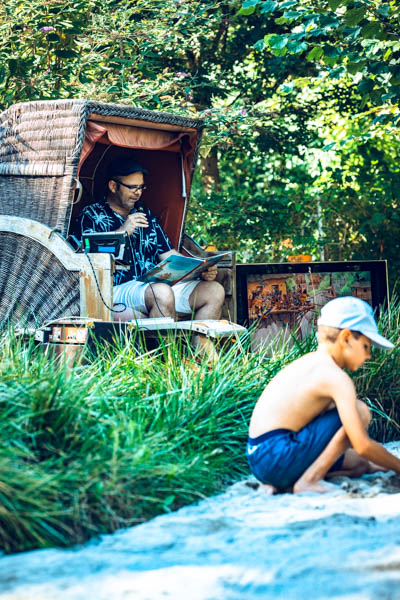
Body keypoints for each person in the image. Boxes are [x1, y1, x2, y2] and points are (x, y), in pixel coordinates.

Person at [246, 296, 400, 494]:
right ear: (346, 338)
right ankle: (309, 480)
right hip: (277, 454)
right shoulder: (336, 378)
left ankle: (287, 482)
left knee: (359, 464)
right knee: (360, 410)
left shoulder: (309, 364)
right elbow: (362, 445)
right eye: (366, 346)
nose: (368, 355)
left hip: (260, 460)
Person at [71, 158, 225, 322]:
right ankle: (163, 341)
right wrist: (122, 232)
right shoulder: (91, 215)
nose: (138, 193)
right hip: (115, 287)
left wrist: (199, 269)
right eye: (132, 187)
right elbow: (87, 258)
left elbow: (168, 255)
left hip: (151, 284)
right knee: (162, 292)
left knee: (214, 291)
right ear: (113, 186)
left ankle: (197, 340)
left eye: (141, 187)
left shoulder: (145, 214)